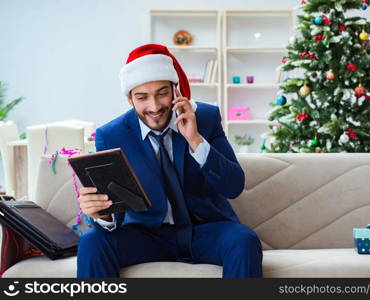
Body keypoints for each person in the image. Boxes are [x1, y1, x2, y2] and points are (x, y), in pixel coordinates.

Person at [77, 43, 263, 278]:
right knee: (92, 242)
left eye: (162, 93)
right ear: (129, 99)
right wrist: (102, 213)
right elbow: (116, 210)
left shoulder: (205, 118)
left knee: (244, 240)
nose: (154, 107)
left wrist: (195, 139)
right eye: (142, 97)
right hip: (146, 234)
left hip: (204, 231)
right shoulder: (112, 135)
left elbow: (233, 186)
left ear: (175, 90)